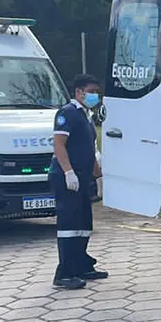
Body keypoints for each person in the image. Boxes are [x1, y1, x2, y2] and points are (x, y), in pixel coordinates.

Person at [49, 74, 106, 290]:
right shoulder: (67, 113)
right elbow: (59, 145)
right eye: (91, 91)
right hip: (67, 177)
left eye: (96, 92)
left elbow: (89, 150)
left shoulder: (86, 116)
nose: (94, 95)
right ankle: (64, 272)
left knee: (83, 224)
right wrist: (68, 172)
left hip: (83, 176)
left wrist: (98, 176)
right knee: (69, 225)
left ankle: (81, 264)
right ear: (79, 92)